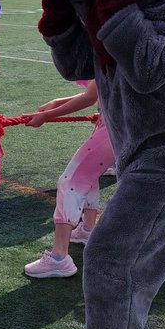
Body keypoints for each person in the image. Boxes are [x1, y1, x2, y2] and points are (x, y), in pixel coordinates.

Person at [24, 80, 115, 278]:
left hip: (116, 127)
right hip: (117, 125)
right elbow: (95, 92)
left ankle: (59, 257)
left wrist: (47, 114)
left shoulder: (111, 51)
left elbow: (90, 96)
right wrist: (56, 102)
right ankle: (87, 229)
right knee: (88, 175)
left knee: (70, 180)